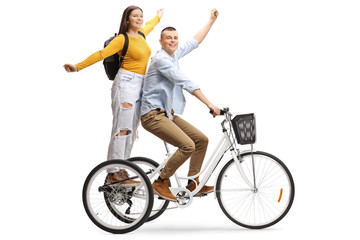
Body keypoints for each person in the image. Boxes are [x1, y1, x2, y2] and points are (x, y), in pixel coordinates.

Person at [64, 6, 164, 186]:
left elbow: (150, 25)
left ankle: (122, 167)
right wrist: (77, 66)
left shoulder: (141, 35)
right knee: (122, 128)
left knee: (131, 130)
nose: (139, 19)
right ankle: (113, 172)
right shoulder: (121, 39)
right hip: (125, 83)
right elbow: (101, 54)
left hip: (140, 84)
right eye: (135, 16)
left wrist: (158, 17)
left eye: (141, 16)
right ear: (127, 19)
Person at [140, 9, 220, 201]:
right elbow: (185, 82)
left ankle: (193, 183)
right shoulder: (161, 60)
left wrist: (211, 21)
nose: (173, 41)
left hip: (166, 114)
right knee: (187, 145)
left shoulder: (173, 55)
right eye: (168, 38)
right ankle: (160, 181)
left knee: (201, 140)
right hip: (152, 115)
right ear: (161, 42)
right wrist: (209, 104)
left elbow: (194, 42)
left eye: (175, 38)